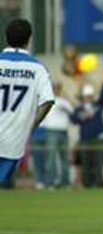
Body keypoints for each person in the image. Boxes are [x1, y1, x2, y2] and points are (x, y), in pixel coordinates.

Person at [0, 19, 54, 187]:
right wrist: (32, 124)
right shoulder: (37, 68)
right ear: (29, 39)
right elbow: (48, 101)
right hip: (13, 141)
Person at [42, 82, 74, 188]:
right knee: (50, 158)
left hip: (63, 132)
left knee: (65, 158)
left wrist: (66, 97)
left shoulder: (65, 102)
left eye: (58, 88)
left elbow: (72, 111)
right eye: (55, 88)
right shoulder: (48, 101)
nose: (56, 90)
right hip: (52, 131)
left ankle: (65, 182)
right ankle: (50, 182)